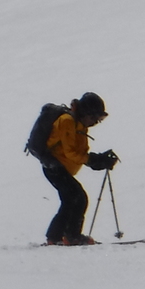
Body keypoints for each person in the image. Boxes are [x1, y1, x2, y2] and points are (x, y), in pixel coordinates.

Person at [39, 93, 118, 245]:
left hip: (59, 167)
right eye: (95, 117)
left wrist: (96, 160)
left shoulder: (79, 125)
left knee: (71, 200)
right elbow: (71, 153)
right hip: (54, 167)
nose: (95, 122)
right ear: (86, 113)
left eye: (99, 119)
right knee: (78, 198)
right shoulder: (68, 121)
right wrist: (93, 160)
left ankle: (55, 237)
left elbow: (78, 151)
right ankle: (71, 237)